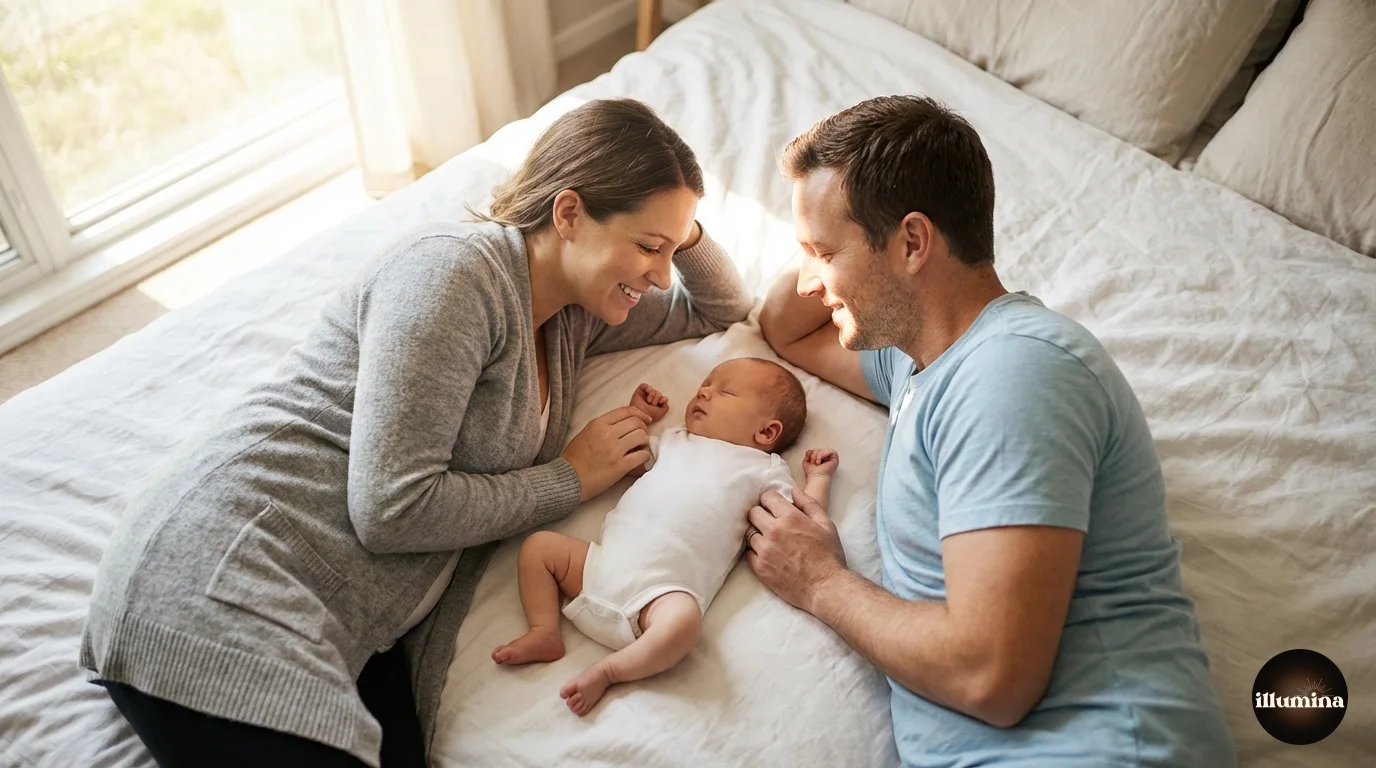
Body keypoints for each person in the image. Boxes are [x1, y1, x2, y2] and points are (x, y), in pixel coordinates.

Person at [79, 98, 753, 768]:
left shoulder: (577, 310)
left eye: (670, 250)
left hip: (340, 626)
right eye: (648, 247)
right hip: (220, 579)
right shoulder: (455, 276)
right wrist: (570, 479)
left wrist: (678, 228)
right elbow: (391, 508)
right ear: (569, 213)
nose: (661, 274)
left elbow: (721, 306)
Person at [750, 95, 1235, 766]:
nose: (810, 282)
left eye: (823, 255)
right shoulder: (920, 366)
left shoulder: (1013, 371)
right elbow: (784, 328)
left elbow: (992, 678)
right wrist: (820, 225)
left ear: (914, 243)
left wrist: (819, 581)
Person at [491, 358, 836, 716]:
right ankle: (544, 629)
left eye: (725, 391)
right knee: (538, 547)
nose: (703, 391)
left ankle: (610, 671)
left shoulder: (762, 470)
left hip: (658, 598)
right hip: (597, 567)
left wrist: (818, 478)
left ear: (766, 432)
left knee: (685, 624)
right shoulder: (674, 440)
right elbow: (626, 456)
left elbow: (799, 520)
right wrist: (638, 414)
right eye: (706, 383)